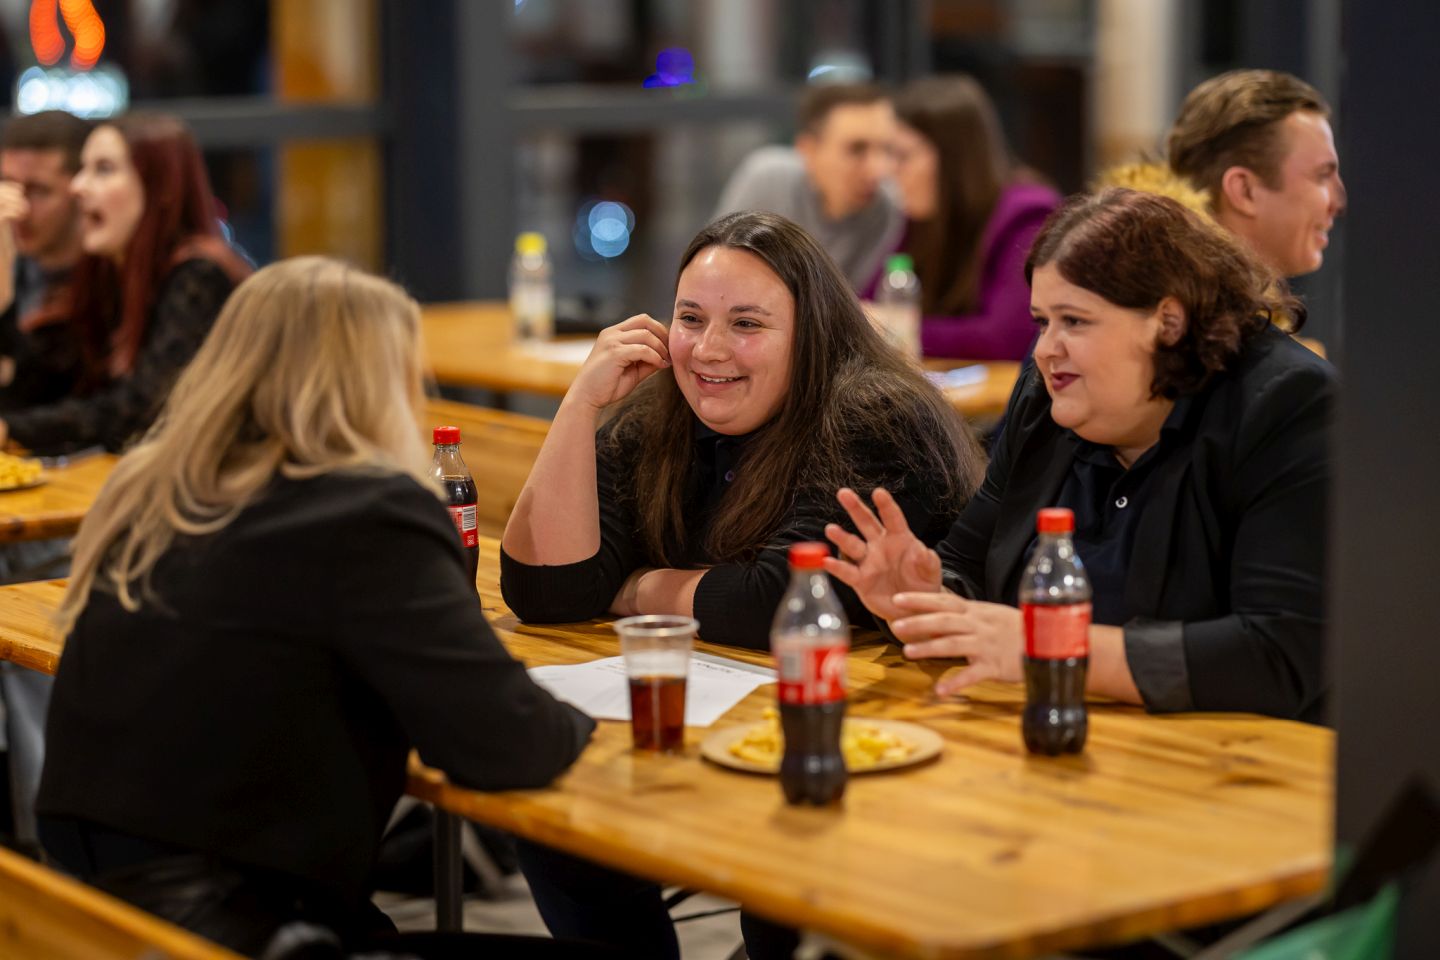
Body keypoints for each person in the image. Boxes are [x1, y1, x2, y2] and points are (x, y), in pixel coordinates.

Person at [36, 257, 599, 957]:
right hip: (246, 923)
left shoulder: (154, 496)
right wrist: (598, 722)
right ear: (372, 383)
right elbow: (513, 745)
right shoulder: (368, 514)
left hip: (93, 920)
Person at [501, 211, 985, 959]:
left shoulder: (873, 415)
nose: (710, 349)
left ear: (811, 333)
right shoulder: (664, 411)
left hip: (876, 749)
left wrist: (630, 589)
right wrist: (579, 406)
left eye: (748, 324)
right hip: (728, 721)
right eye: (690, 319)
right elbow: (550, 592)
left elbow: (776, 605)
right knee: (547, 804)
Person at [827, 189, 1332, 723]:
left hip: (1234, 768)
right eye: (1042, 321)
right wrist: (923, 594)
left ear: (1169, 321)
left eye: (1074, 321)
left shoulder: (1286, 405)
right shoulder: (1048, 399)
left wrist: (1052, 647)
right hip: (1060, 732)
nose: (1046, 349)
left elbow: (1280, 653)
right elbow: (971, 566)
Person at [0, 112, 251, 454]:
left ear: (158, 187)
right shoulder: (108, 272)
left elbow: (142, 410)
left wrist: (13, 429)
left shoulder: (199, 275)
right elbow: (48, 384)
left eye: (103, 170)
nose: (78, 187)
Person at [873, 74, 1061, 360]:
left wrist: (894, 327)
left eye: (903, 155)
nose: (889, 171)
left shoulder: (1028, 215)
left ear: (953, 160)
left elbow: (1003, 339)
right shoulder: (923, 218)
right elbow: (868, 305)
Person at [713, 83, 903, 291]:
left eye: (887, 149)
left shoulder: (886, 206)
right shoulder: (768, 179)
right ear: (808, 150)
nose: (878, 170)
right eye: (856, 149)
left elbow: (848, 305)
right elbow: (713, 270)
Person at [1166, 69, 1344, 279]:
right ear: (1244, 191)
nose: (1338, 203)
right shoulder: (1176, 308)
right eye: (1322, 176)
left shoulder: (1174, 299)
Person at [0, 110, 92, 412]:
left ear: (81, 190)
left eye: (39, 190)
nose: (20, 208)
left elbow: (41, 394)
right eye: (9, 187)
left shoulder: (105, 274)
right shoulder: (18, 262)